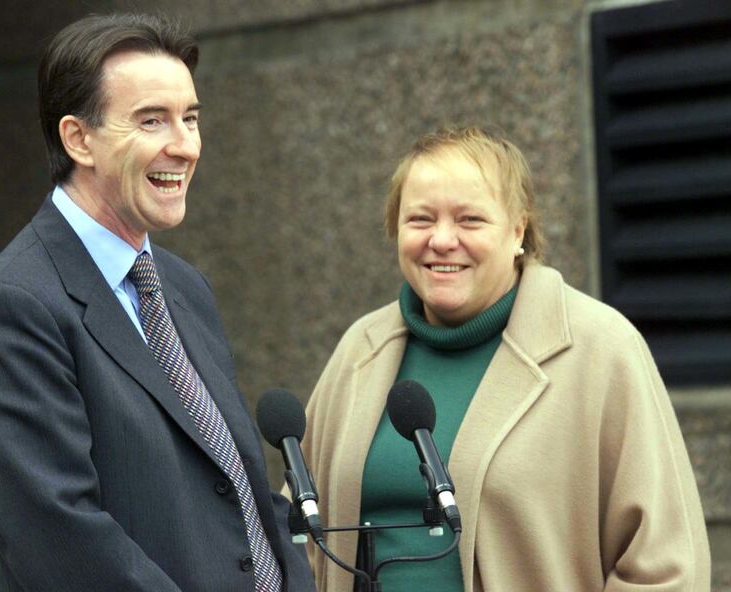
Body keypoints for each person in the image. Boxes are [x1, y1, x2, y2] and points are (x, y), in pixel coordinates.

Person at [0, 13, 314, 592]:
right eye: (151, 121)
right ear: (78, 139)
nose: (185, 145)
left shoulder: (182, 286)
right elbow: (61, 545)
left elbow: (236, 486)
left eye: (190, 118)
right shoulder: (11, 310)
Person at [299, 126, 710, 591]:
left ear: (518, 230)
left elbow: (665, 565)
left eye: (470, 219)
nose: (442, 239)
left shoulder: (601, 348)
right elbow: (296, 527)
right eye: (420, 219)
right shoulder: (361, 349)